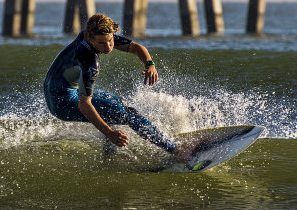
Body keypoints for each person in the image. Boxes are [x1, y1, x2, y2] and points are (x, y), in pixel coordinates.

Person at [44, 14, 194, 161]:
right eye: (102, 43)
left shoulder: (92, 34)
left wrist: (150, 65)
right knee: (129, 115)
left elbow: (136, 47)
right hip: (62, 102)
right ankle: (178, 150)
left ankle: (110, 157)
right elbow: (84, 104)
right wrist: (109, 132)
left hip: (59, 88)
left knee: (121, 104)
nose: (108, 46)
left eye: (110, 40)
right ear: (91, 40)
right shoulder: (90, 64)